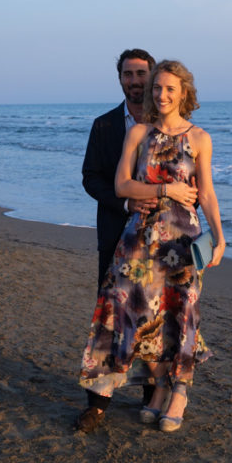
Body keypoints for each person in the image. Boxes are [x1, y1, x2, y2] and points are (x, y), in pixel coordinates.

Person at [78, 60, 225, 433]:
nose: (161, 95)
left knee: (182, 313)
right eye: (157, 87)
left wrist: (220, 236)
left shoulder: (200, 138)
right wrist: (166, 189)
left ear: (184, 93)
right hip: (139, 237)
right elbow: (122, 186)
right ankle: (156, 387)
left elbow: (206, 193)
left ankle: (179, 392)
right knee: (138, 313)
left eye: (170, 89)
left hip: (182, 240)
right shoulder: (138, 134)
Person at [80, 48, 159, 413]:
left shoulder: (171, 126)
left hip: (162, 242)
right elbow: (91, 179)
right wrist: (124, 204)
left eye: (141, 74)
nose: (135, 81)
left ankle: (151, 396)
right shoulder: (105, 125)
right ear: (120, 79)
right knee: (109, 320)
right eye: (128, 74)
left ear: (153, 76)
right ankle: (97, 402)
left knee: (155, 321)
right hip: (115, 235)